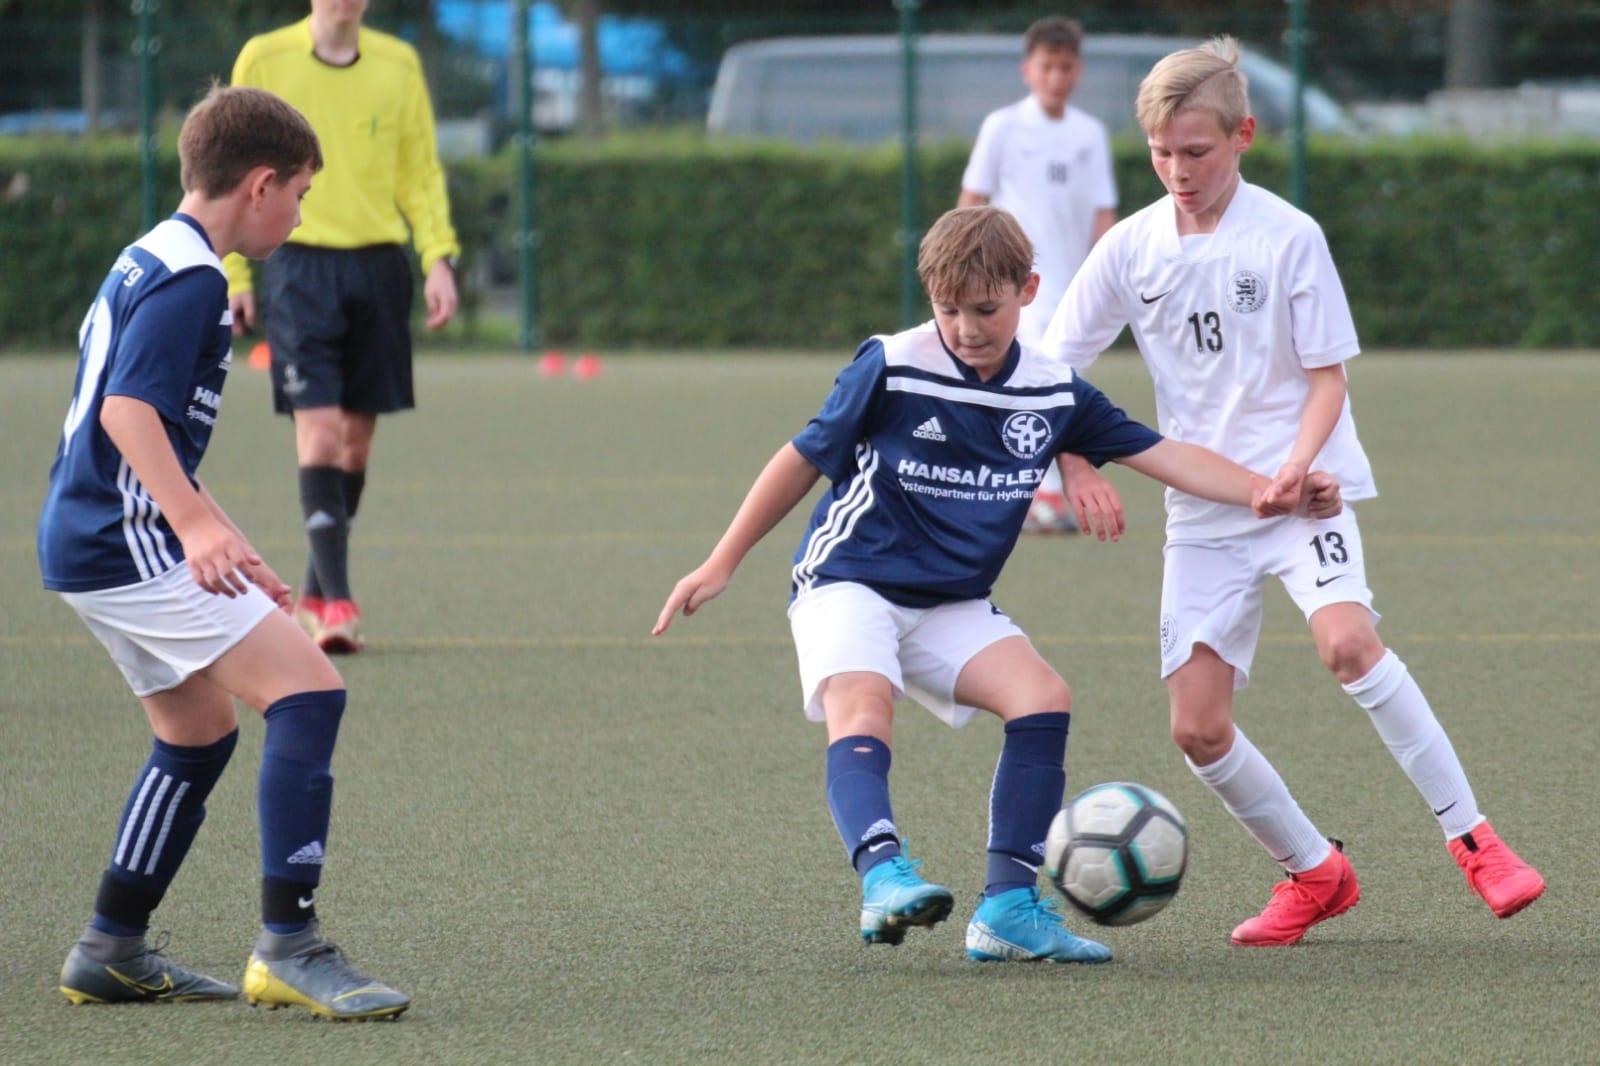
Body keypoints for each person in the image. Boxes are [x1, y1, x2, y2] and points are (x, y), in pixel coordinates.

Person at [653, 204, 1342, 963]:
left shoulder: (1053, 392)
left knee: (1042, 698)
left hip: (950, 601)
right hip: (849, 581)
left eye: (985, 309)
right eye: (948, 309)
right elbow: (801, 458)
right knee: (863, 701)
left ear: (1028, 291)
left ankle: (1008, 908)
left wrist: (1267, 491)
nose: (966, 328)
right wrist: (722, 560)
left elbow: (1167, 455)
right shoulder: (892, 364)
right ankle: (883, 876)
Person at [1042, 37, 1544, 948]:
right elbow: (1051, 373)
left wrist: (1300, 464)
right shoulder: (1130, 248)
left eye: (1197, 151)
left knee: (1348, 644)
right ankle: (1315, 873)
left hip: (1304, 495)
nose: (1178, 171)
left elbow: (1327, 380)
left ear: (1244, 136)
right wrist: (1075, 464)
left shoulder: (1288, 236)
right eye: (1160, 153)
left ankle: (1475, 840)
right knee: (1197, 729)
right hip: (1203, 510)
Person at [38, 84, 409, 1020]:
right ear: (260, 184)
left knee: (197, 731)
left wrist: (225, 535)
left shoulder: (151, 254)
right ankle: (291, 944)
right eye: (301, 194)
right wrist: (193, 529)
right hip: (125, 539)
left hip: (90, 535)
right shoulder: (197, 278)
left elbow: (144, 426)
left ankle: (111, 945)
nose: (300, 216)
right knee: (310, 693)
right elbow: (127, 414)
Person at [226, 0, 462, 654]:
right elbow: (230, 174)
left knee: (353, 448)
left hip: (379, 270)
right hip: (298, 268)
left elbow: (420, 172)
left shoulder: (399, 64)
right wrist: (234, 272)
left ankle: (313, 594)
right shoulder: (264, 59)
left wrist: (438, 257)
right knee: (321, 432)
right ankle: (338, 603)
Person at [959, 15, 1118, 535]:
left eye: (1066, 66)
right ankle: (1040, 493)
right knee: (1046, 382)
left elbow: (1102, 212)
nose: (1056, 76)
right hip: (1017, 284)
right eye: (1047, 66)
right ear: (1027, 69)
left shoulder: (1090, 134)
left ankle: (1010, 488)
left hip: (1073, 284)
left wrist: (1106, 278)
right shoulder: (1002, 126)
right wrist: (964, 272)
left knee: (1047, 385)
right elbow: (972, 200)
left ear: (1078, 71)